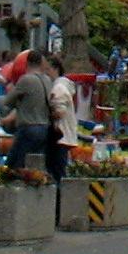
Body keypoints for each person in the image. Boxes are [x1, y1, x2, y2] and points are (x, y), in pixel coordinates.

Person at [3, 55, 56, 181]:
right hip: (44, 128)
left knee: (14, 164)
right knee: (35, 167)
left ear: (26, 64)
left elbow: (7, 101)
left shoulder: (26, 80)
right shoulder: (48, 80)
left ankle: (13, 193)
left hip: (28, 127)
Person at [44, 52, 81, 184]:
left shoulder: (58, 88)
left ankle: (59, 200)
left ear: (55, 69)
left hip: (59, 136)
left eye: (47, 69)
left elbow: (60, 112)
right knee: (60, 170)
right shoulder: (65, 86)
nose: (46, 73)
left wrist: (47, 114)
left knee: (57, 172)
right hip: (64, 136)